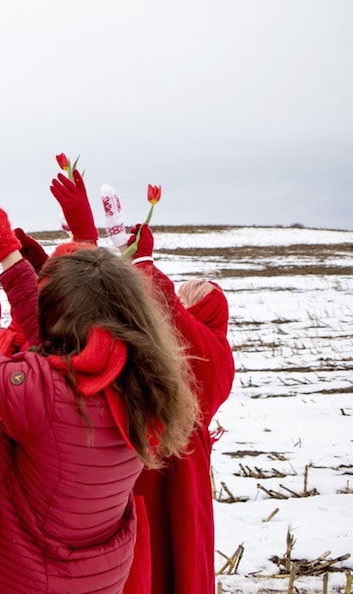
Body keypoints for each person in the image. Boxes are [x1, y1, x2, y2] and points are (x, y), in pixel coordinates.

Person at [0, 188, 200, 593]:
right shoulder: (141, 378)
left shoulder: (42, 395)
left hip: (24, 580)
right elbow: (56, 337)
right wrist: (8, 255)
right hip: (91, 581)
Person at [125, 224, 236, 593]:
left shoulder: (213, 350)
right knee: (176, 545)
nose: (186, 301)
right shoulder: (199, 345)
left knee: (165, 545)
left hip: (172, 463)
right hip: (171, 462)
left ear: (208, 310)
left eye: (195, 298)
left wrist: (143, 263)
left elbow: (169, 313)